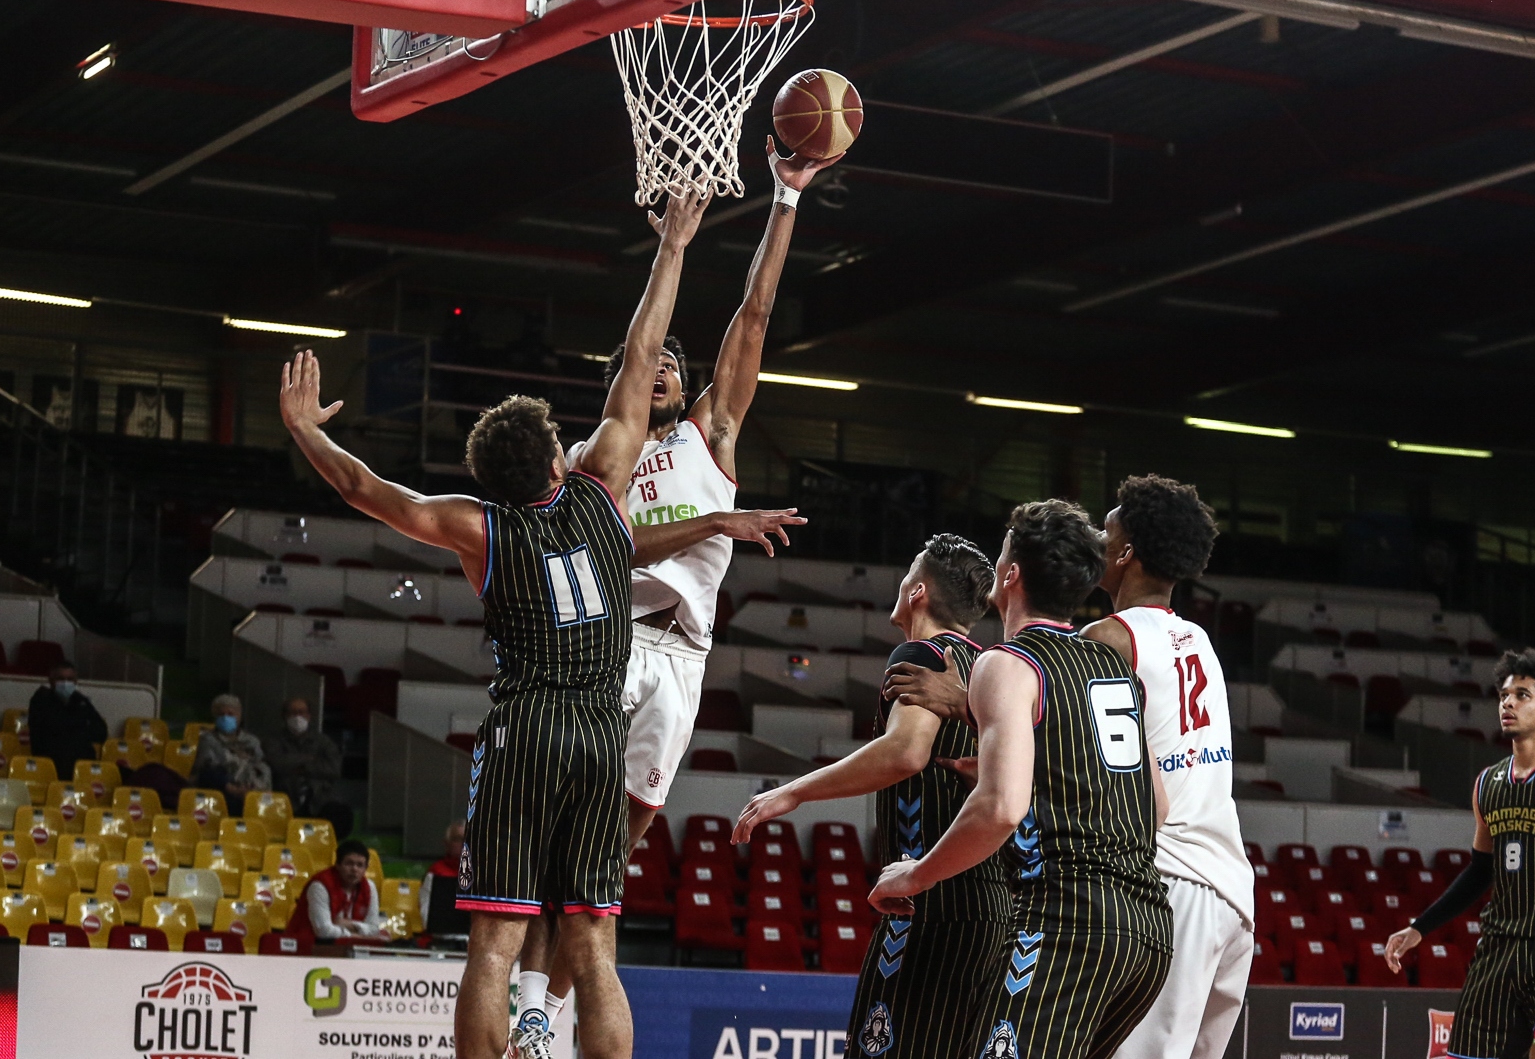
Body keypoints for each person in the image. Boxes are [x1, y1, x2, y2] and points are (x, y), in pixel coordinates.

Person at [279, 189, 713, 1059]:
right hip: (599, 730)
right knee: (592, 943)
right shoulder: (601, 495)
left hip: (524, 731)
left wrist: (305, 432)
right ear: (559, 458)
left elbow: (367, 491)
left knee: (495, 942)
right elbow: (636, 365)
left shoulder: (479, 528)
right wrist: (672, 246)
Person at [513, 142, 833, 1054]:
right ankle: (533, 1006)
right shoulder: (592, 460)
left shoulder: (711, 436)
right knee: (566, 843)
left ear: (686, 384)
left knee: (611, 857)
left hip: (682, 662)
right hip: (607, 648)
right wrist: (712, 528)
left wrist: (784, 198)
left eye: (668, 365)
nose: (657, 370)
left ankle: (550, 1004)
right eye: (643, 362)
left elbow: (756, 311)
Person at [870, 500, 1172, 1059]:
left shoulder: (1006, 663)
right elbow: (1155, 803)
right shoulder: (1111, 665)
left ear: (1009, 576)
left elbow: (1001, 809)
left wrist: (916, 874)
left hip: (1065, 924)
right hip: (1148, 934)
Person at [733, 534, 1003, 1059]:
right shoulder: (990, 668)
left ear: (918, 590)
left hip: (927, 903)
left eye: (907, 574)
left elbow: (905, 752)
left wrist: (794, 792)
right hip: (989, 904)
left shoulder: (921, 653)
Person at [1079, 476, 1253, 1059]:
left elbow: (1052, 735)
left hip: (1174, 886)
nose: (1095, 541)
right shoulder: (1200, 640)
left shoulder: (1106, 638)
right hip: (1234, 894)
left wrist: (965, 700)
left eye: (1105, 533)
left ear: (1125, 552)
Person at [1385, 648, 1535, 1059]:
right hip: (1497, 951)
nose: (1507, 703)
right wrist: (1419, 928)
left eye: (1521, 695)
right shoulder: (1487, 783)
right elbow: (1480, 872)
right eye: (1503, 696)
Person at [292, 837, 388, 950]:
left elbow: (373, 929)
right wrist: (360, 936)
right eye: (349, 863)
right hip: (305, 948)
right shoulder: (320, 886)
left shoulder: (370, 887)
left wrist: (346, 924)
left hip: (346, 949)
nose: (354, 869)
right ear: (337, 865)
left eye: (360, 865)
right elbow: (324, 931)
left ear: (366, 868)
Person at [26, 663, 107, 783]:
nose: (65, 683)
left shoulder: (81, 701)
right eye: (60, 679)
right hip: (51, 763)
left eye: (70, 679)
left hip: (80, 765)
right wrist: (81, 727)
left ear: (75, 682)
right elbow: (51, 728)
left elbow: (102, 732)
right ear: (51, 680)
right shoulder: (41, 699)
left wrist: (73, 728)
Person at [189, 695, 271, 812]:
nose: (226, 718)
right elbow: (207, 768)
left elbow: (260, 764)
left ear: (239, 716)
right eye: (221, 715)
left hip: (249, 786)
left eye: (230, 714)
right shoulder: (208, 739)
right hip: (220, 791)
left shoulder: (251, 741)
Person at [261, 696, 342, 812]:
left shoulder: (324, 742)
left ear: (309, 716)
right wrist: (309, 758)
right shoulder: (273, 740)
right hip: (284, 796)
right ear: (285, 716)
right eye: (292, 712)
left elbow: (334, 769)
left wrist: (302, 768)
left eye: (301, 712)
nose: (297, 717)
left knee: (341, 813)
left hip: (319, 797)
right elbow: (276, 763)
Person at [422, 819, 471, 941]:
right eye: (458, 839)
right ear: (446, 844)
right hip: (443, 942)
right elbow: (427, 918)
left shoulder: (482, 874)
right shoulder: (435, 873)